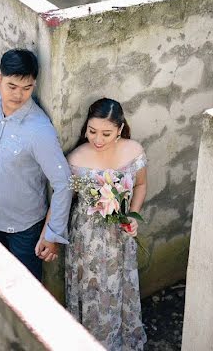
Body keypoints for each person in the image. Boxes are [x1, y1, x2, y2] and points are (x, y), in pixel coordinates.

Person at [0, 49, 72, 280]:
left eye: (27, 88)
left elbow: (63, 183)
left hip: (25, 231)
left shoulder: (40, 130)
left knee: (26, 295)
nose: (18, 95)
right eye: (12, 86)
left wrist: (52, 235)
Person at [65, 98, 148, 351]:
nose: (98, 140)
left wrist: (133, 216)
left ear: (120, 129)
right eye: (92, 131)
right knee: (92, 291)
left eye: (106, 133)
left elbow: (141, 185)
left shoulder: (134, 151)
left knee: (118, 287)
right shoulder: (76, 160)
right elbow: (67, 198)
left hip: (120, 234)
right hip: (86, 238)